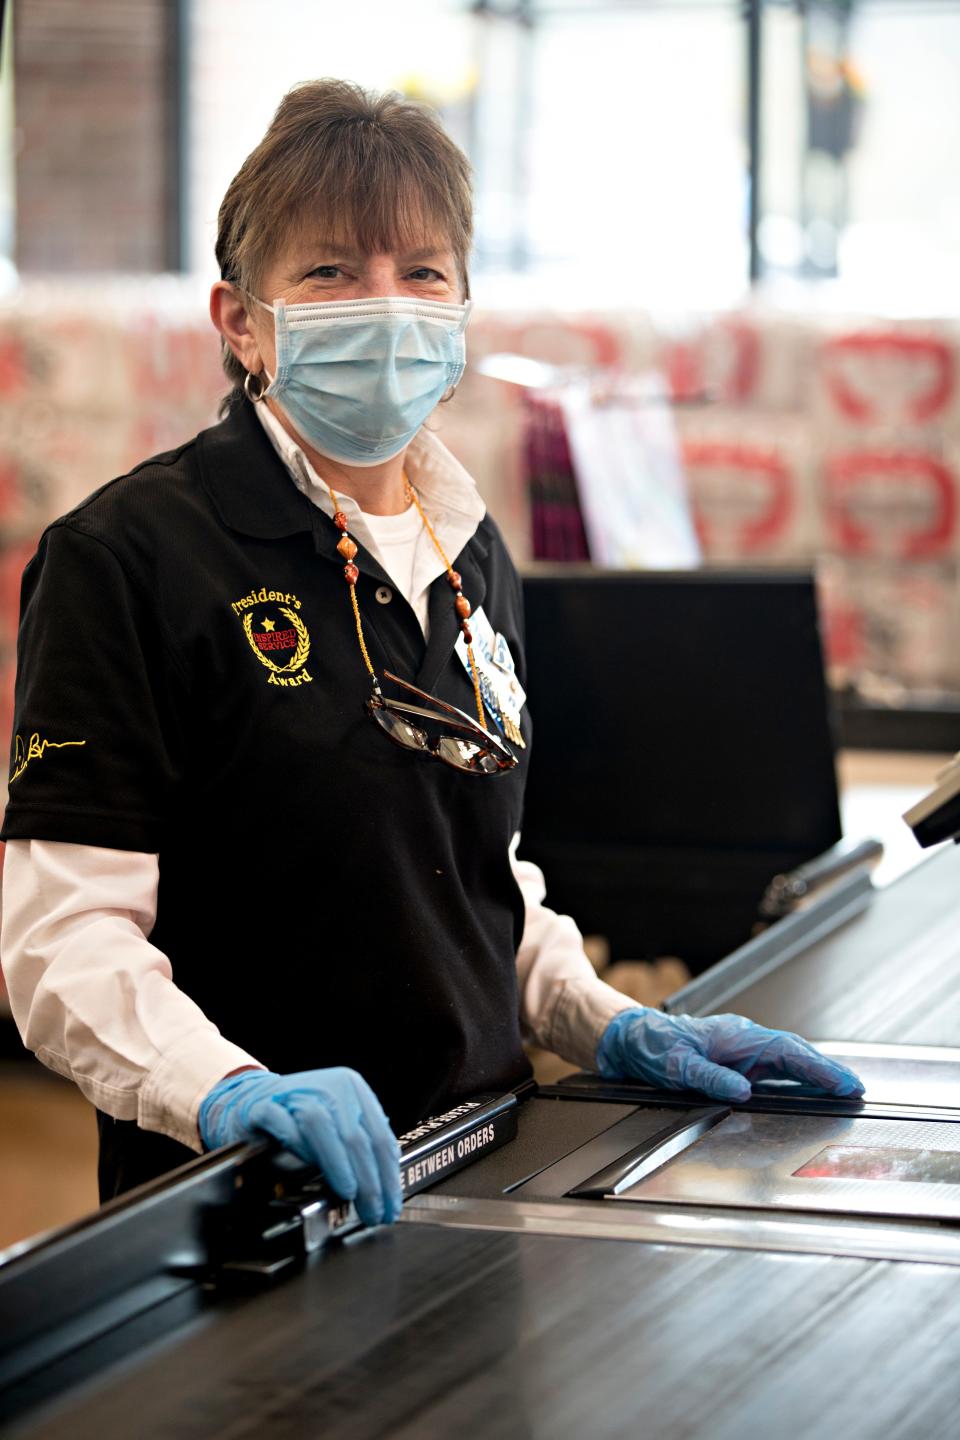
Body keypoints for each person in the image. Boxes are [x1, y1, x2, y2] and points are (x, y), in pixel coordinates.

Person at [0, 80, 862, 1226]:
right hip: (249, 1202)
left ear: (460, 311)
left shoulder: (472, 551)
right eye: (329, 273)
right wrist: (225, 1090)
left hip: (480, 1167)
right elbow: (62, 941)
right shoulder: (129, 557)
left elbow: (475, 875)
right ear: (239, 321)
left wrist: (597, 1015)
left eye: (422, 273)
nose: (386, 307)